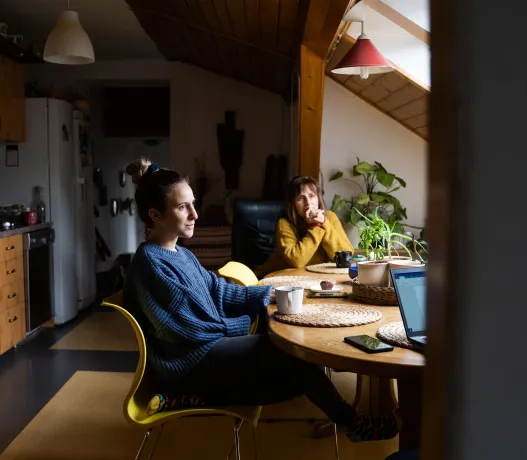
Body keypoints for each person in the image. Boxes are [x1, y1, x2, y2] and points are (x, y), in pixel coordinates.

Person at [123, 158, 399, 443]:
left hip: (206, 352)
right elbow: (190, 330)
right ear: (155, 215)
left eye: (193, 203)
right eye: (183, 207)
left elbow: (218, 290)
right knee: (293, 352)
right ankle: (352, 423)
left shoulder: (181, 253)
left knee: (298, 371)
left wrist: (263, 296)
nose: (195, 213)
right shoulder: (152, 265)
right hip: (190, 362)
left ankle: (196, 398)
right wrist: (247, 323)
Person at [260, 175, 354, 274]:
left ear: (318, 198)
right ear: (293, 204)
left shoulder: (330, 217)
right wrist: (316, 226)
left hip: (317, 276)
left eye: (311, 196)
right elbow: (297, 260)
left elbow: (347, 255)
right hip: (283, 277)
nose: (308, 203)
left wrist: (324, 223)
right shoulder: (284, 224)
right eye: (301, 198)